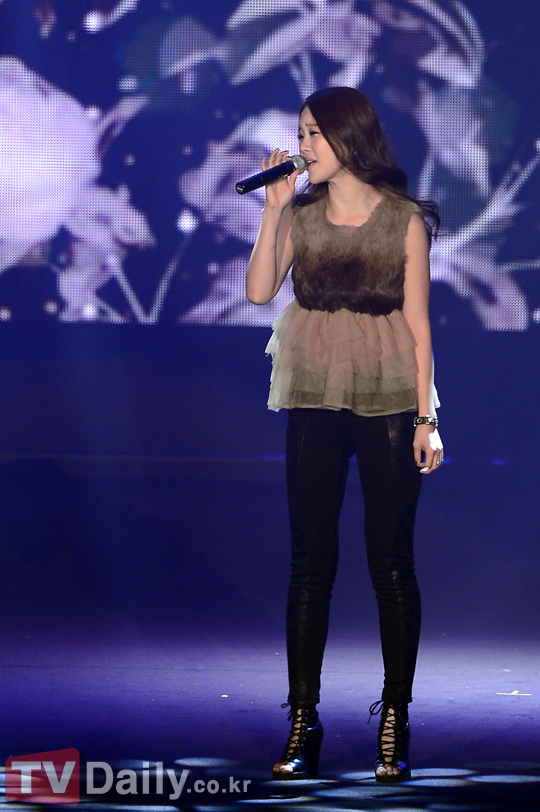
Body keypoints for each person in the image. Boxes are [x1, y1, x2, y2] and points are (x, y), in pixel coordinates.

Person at [245, 86, 443, 784]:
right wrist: (273, 212)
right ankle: (304, 718)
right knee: (310, 563)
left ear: (349, 137)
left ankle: (395, 718)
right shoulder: (301, 215)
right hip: (314, 392)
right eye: (300, 133)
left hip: (389, 397)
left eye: (313, 134)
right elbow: (259, 292)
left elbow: (419, 327)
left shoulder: (403, 221)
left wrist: (427, 418)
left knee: (390, 564)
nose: (302, 146)